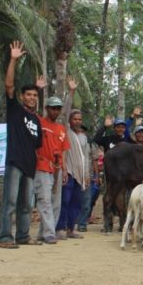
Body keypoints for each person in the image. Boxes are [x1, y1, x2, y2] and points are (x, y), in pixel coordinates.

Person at [0, 41, 43, 249]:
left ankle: (23, 236)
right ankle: (5, 237)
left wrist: (40, 89)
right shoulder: (15, 109)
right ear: (22, 97)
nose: (32, 98)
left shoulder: (36, 120)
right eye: (29, 95)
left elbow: (37, 145)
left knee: (27, 204)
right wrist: (14, 59)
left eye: (35, 95)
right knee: (11, 202)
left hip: (29, 165)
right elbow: (8, 86)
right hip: (15, 162)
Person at [56, 78, 90, 240]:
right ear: (70, 121)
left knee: (76, 202)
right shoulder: (67, 131)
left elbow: (87, 158)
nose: (77, 121)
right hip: (68, 172)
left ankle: (71, 228)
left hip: (81, 175)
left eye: (79, 119)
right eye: (74, 119)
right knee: (65, 200)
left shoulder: (83, 137)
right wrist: (71, 92)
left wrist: (87, 175)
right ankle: (60, 228)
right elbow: (65, 110)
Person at [33, 95, 70, 244]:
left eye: (58, 109)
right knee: (45, 200)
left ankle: (44, 232)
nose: (55, 111)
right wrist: (38, 89)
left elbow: (64, 150)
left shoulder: (61, 129)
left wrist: (64, 168)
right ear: (47, 109)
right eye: (52, 108)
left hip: (58, 168)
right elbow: (31, 110)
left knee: (56, 202)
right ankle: (49, 233)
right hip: (42, 166)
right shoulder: (40, 123)